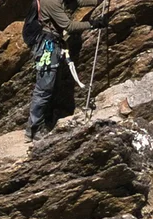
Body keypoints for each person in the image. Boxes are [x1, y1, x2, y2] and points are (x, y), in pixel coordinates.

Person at [24, 0, 107, 137]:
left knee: (52, 87)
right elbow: (68, 26)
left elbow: (78, 2)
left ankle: (45, 123)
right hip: (47, 46)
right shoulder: (51, 2)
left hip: (52, 44)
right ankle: (34, 129)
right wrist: (93, 24)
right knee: (44, 89)